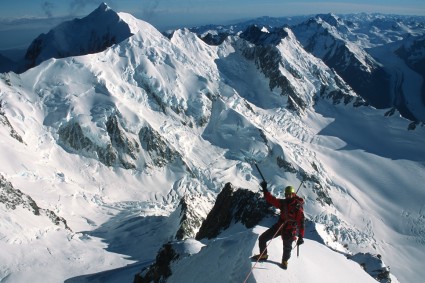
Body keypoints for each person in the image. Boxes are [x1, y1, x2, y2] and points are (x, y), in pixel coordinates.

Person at [252, 181, 305, 269]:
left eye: (289, 195)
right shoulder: (283, 203)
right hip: (280, 226)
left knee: (287, 248)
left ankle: (284, 261)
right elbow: (272, 200)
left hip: (290, 230)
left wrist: (301, 236)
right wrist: (265, 190)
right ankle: (263, 255)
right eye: (286, 195)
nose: (288, 196)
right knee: (262, 238)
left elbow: (301, 223)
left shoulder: (298, 207)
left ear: (293, 194)